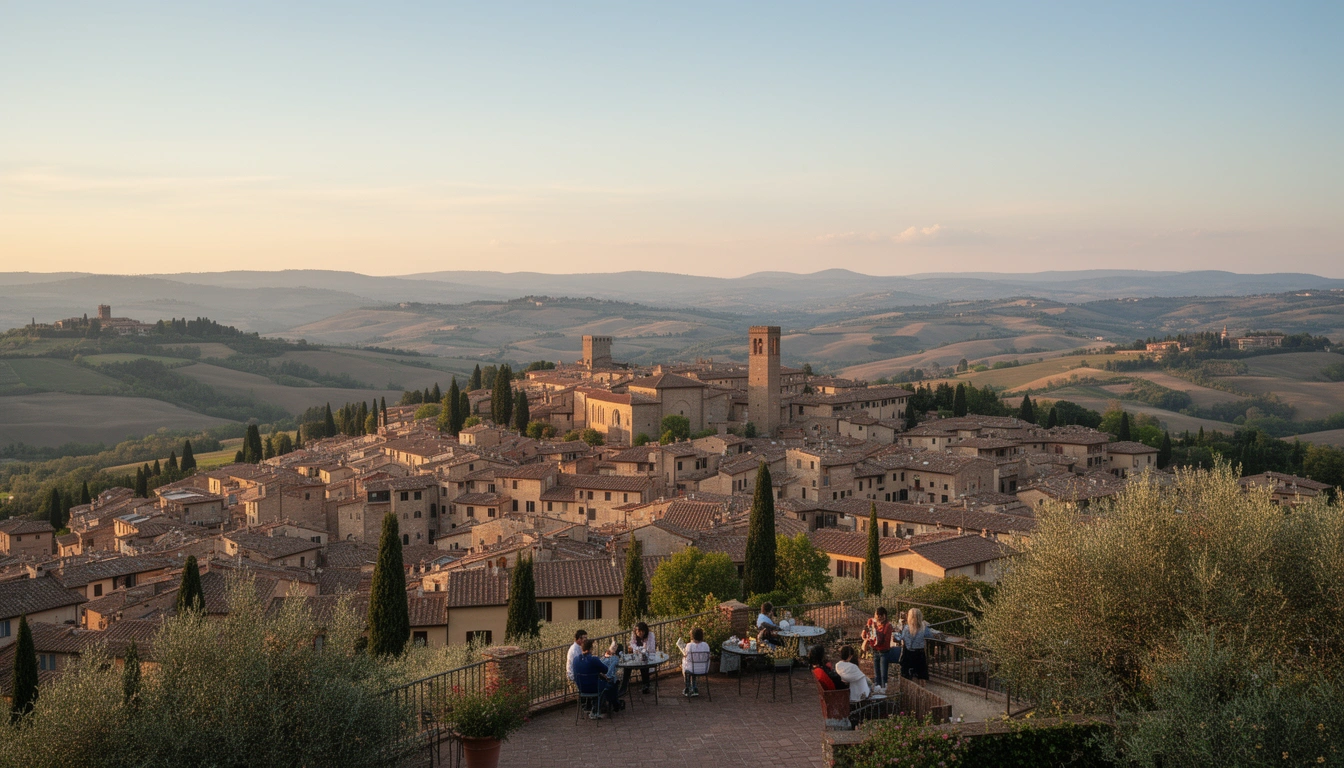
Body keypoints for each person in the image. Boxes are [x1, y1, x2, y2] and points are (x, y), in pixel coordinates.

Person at [572, 638, 622, 718]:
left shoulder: (575, 660)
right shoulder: (593, 659)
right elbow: (605, 670)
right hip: (595, 688)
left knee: (605, 684)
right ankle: (615, 706)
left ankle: (598, 707)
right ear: (591, 648)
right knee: (612, 684)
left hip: (582, 689)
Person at [898, 608, 940, 687]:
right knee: (921, 675)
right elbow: (930, 635)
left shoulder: (907, 629)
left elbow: (908, 644)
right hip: (920, 653)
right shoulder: (924, 627)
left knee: (910, 675)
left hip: (910, 654)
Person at [862, 607, 896, 693]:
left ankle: (883, 689)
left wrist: (876, 633)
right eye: (877, 617)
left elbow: (883, 640)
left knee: (883, 673)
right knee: (877, 673)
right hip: (875, 650)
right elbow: (865, 634)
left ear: (884, 616)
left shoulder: (888, 626)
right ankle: (877, 689)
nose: (878, 619)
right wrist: (866, 632)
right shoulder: (872, 622)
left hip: (884, 651)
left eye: (879, 617)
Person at [623, 621, 656, 694]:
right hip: (636, 656)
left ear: (644, 631)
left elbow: (650, 648)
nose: (639, 634)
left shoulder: (650, 635)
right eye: (638, 632)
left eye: (641, 632)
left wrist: (638, 649)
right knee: (627, 666)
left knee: (644, 665)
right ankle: (624, 686)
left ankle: (646, 685)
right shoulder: (634, 635)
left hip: (647, 657)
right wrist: (639, 649)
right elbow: (632, 644)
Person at [679, 626, 710, 697]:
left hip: (692, 669)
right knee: (693, 665)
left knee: (686, 666)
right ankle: (695, 688)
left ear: (692, 636)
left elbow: (688, 658)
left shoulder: (689, 646)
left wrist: (684, 657)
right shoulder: (706, 645)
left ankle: (688, 688)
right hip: (704, 669)